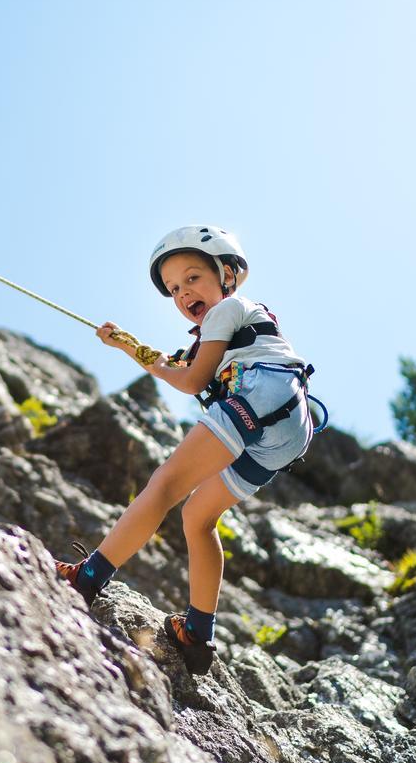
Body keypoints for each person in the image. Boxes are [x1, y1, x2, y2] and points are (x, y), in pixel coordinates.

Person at [54, 225, 318, 675]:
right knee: (198, 517)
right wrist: (131, 348)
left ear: (229, 276)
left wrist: (140, 355)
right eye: (174, 288)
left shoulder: (230, 308)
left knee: (164, 486)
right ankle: (197, 633)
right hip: (290, 425)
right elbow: (189, 370)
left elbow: (192, 379)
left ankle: (89, 577)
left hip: (260, 391)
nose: (183, 293)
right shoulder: (227, 331)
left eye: (193, 277)